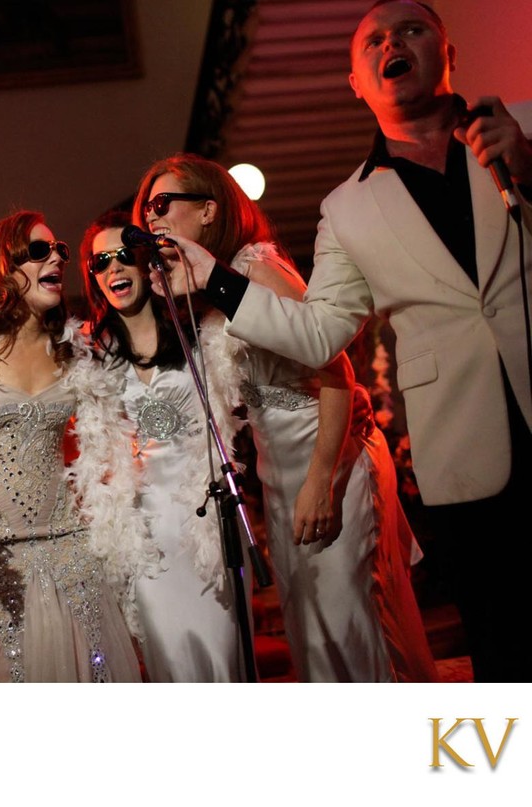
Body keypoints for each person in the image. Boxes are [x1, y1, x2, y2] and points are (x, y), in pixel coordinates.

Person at [164, 0, 531, 682]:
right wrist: (215, 279)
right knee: (505, 644)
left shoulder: (524, 128)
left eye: (412, 29)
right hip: (467, 447)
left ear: (447, 52)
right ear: (356, 83)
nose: (394, 42)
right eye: (374, 40)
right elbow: (318, 332)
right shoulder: (347, 208)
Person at [138, 153, 438, 682]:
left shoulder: (257, 267)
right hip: (282, 477)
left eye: (162, 204)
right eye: (147, 210)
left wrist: (321, 481)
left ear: (208, 209)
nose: (152, 218)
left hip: (330, 464)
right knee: (313, 627)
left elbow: (337, 374)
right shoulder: (211, 289)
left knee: (353, 621)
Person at [0, 210, 156, 683]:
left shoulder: (77, 350)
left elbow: (110, 439)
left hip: (73, 555)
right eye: (40, 251)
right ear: (3, 266)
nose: (57, 258)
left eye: (60, 251)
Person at [79, 209, 249, 682]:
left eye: (122, 256)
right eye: (100, 263)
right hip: (145, 540)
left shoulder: (200, 330)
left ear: (145, 262)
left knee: (221, 658)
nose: (113, 268)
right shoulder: (93, 359)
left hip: (207, 529)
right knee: (170, 664)